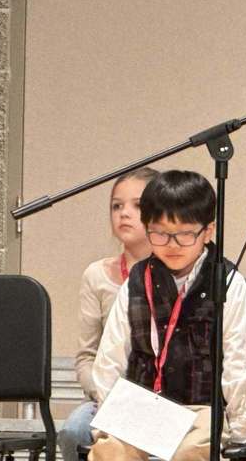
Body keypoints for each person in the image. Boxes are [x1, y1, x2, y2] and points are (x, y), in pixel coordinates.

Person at [88, 170, 246, 461]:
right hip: (144, 405)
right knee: (111, 450)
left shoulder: (227, 282)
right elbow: (110, 358)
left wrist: (238, 429)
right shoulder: (137, 281)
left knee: (191, 451)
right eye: (160, 233)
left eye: (185, 234)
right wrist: (109, 419)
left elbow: (238, 361)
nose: (172, 244)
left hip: (201, 410)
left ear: (208, 231)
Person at [59, 167, 158, 461]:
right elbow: (86, 357)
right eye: (117, 206)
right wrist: (106, 396)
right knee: (74, 429)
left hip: (164, 396)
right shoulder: (97, 275)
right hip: (108, 397)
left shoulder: (177, 272)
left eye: (137, 205)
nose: (124, 213)